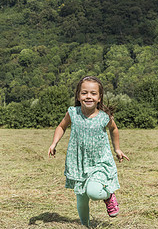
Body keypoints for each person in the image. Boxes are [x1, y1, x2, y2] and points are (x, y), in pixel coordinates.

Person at [48, 76, 129, 228]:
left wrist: (117, 149)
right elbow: (61, 127)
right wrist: (54, 143)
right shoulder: (73, 113)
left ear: (99, 98)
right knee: (81, 199)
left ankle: (108, 195)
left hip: (100, 161)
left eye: (93, 93)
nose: (88, 96)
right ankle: (86, 226)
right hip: (78, 163)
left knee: (93, 191)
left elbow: (114, 129)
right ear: (78, 96)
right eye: (84, 93)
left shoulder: (104, 117)